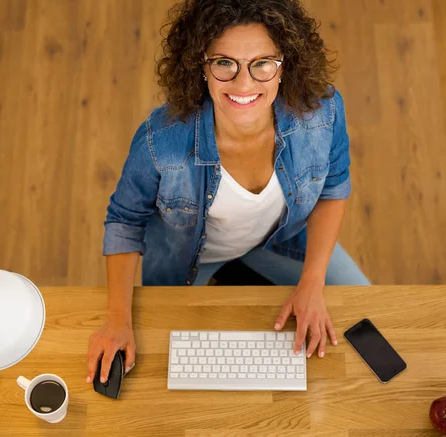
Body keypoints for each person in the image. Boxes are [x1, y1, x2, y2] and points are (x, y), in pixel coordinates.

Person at [86, 0, 371, 385]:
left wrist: (311, 284)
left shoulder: (322, 112)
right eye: (224, 63)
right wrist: (117, 319)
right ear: (201, 66)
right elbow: (124, 220)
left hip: (283, 238)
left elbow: (334, 188)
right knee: (169, 360)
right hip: (191, 259)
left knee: (365, 304)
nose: (243, 84)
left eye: (262, 63)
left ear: (284, 64)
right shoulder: (162, 141)